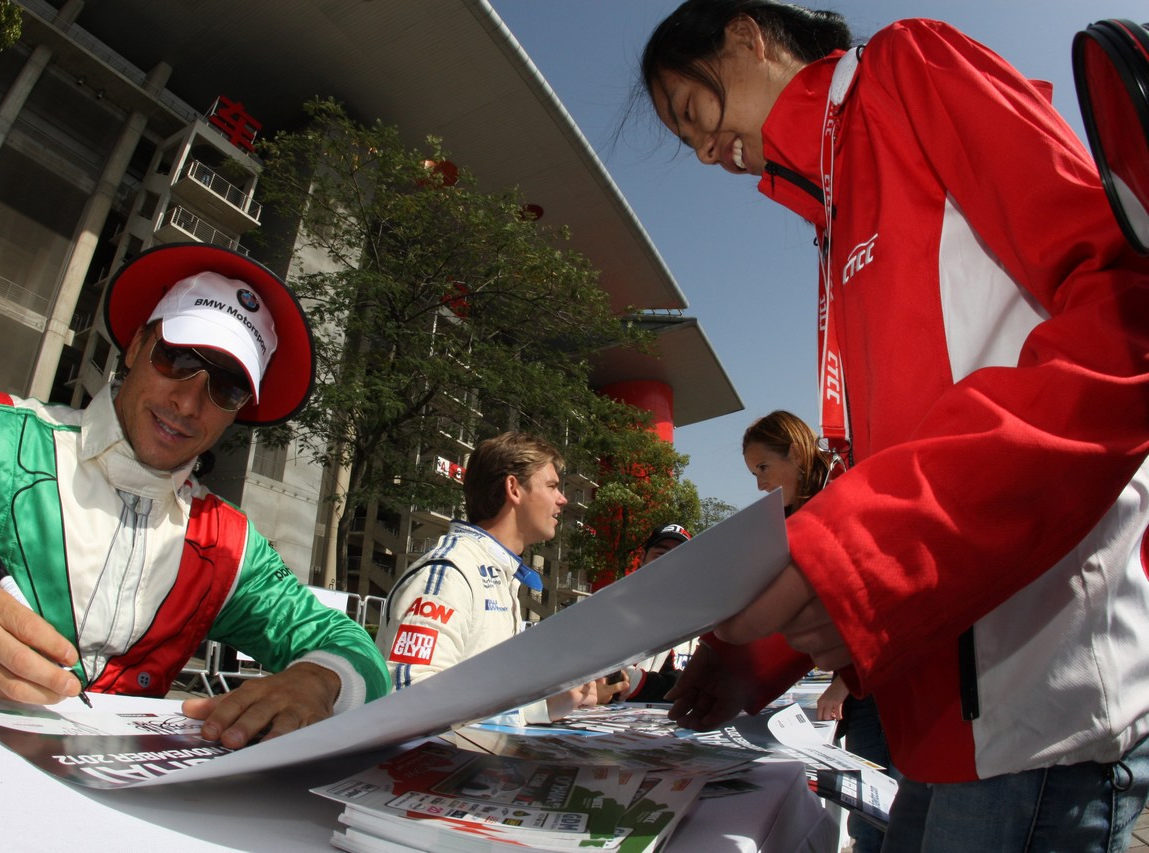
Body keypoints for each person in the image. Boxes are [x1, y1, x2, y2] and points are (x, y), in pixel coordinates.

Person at [642, 2, 1149, 849]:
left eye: (694, 113)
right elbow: (894, 468)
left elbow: (1126, 312)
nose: (702, 151)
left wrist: (862, 562)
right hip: (937, 723)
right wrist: (763, 650)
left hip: (1039, 703)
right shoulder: (832, 216)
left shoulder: (908, 67)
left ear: (746, 36)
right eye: (687, 142)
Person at [0, 242, 388, 749]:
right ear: (138, 344)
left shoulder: (228, 543)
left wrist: (318, 682)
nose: (188, 402)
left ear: (239, 410)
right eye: (179, 358)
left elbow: (354, 648)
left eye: (226, 387)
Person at [376, 431, 613, 722]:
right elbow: (408, 698)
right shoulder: (450, 573)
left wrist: (557, 696)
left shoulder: (497, 573)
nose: (562, 499)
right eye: (552, 486)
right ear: (513, 488)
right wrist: (537, 706)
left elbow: (488, 690)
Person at [743, 410, 894, 853]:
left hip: (876, 689)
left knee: (877, 820)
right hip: (861, 691)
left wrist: (842, 684)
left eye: (764, 468)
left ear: (794, 452)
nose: (759, 484)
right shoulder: (796, 515)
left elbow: (869, 605)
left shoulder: (841, 499)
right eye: (753, 473)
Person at [598, 523, 694, 704]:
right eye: (660, 554)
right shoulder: (610, 605)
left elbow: (708, 681)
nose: (669, 563)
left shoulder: (703, 615)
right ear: (642, 558)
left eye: (680, 556)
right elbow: (610, 681)